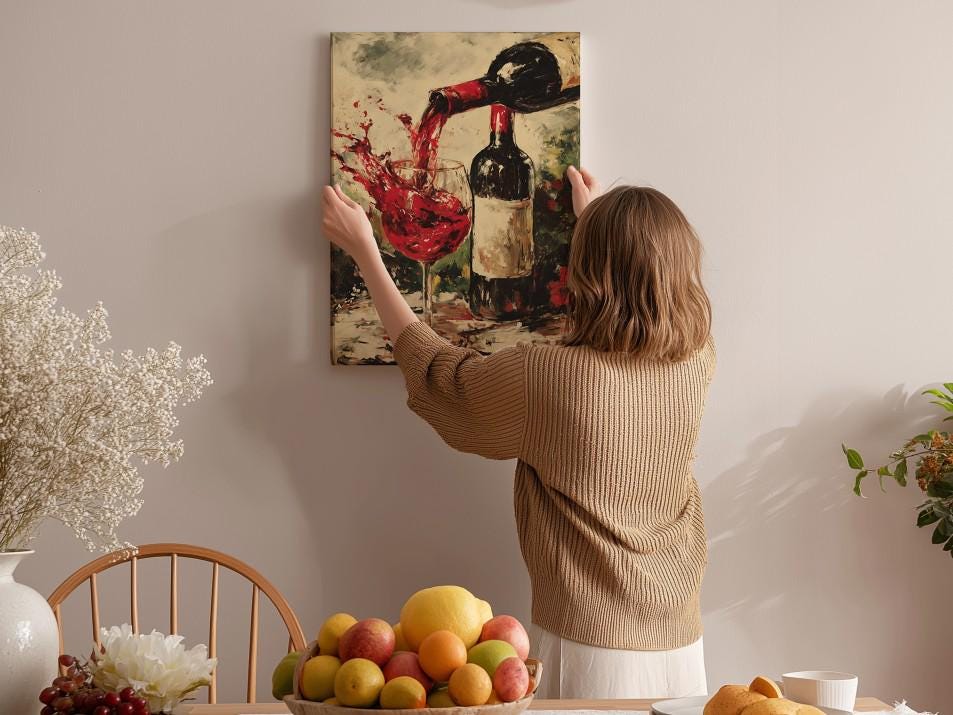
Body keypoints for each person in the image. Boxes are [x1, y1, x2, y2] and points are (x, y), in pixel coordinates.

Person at [321, 166, 715, 699]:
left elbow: (441, 376)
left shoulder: (548, 377)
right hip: (682, 642)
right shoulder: (697, 359)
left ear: (588, 271)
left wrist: (366, 251)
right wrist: (597, 225)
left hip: (589, 645)